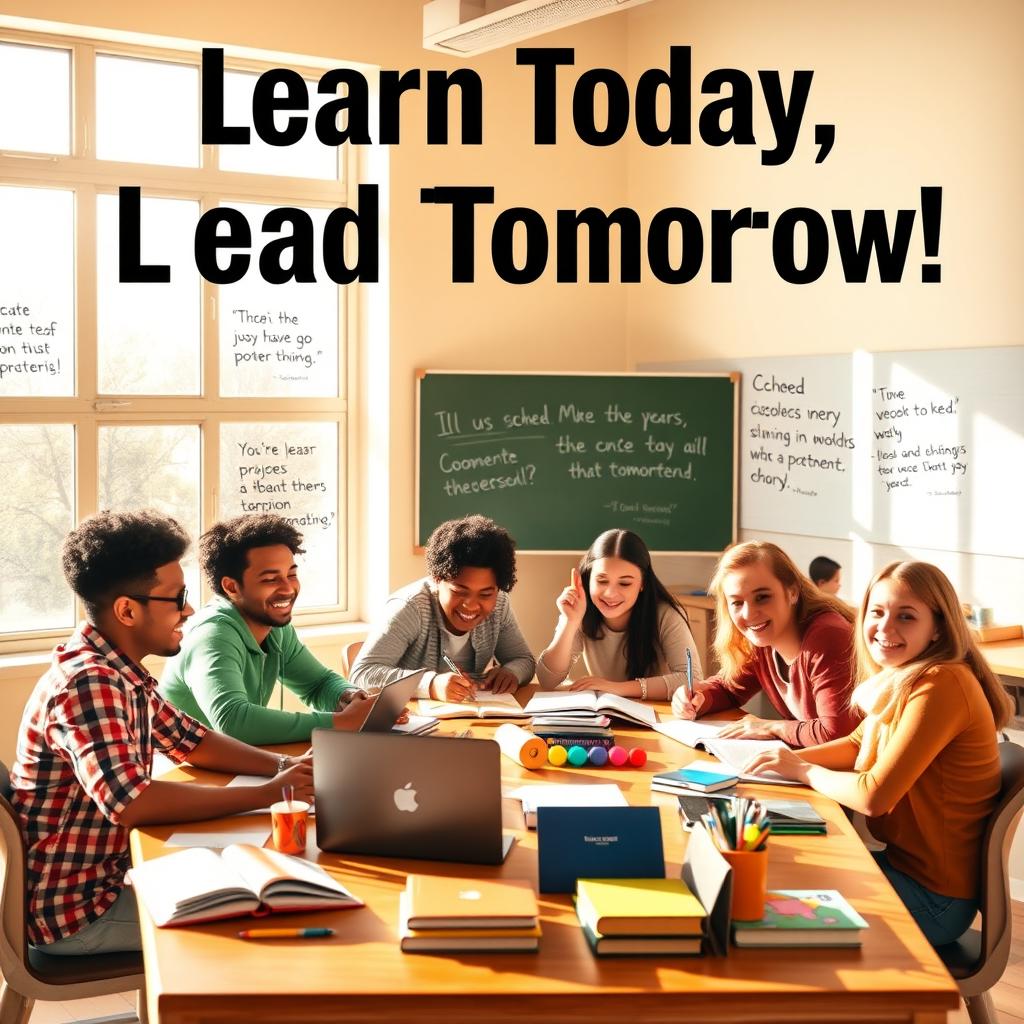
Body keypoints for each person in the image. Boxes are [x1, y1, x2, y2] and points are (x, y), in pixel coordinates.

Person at [9, 510, 314, 956]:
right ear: (127, 610)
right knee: (276, 923)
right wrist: (266, 793)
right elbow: (134, 802)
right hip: (79, 912)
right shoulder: (90, 682)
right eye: (177, 597)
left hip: (109, 880)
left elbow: (193, 740)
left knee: (265, 877)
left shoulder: (118, 671)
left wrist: (287, 767)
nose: (189, 609)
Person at [744, 560, 1012, 947]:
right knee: (777, 870)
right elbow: (857, 745)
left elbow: (874, 796)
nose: (885, 629)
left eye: (906, 616)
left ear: (937, 627)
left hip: (934, 901)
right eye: (877, 612)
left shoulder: (942, 684)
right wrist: (776, 764)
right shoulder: (906, 676)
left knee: (770, 900)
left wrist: (802, 771)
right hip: (905, 873)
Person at [161, 514, 372, 745]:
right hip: (188, 772)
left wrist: (351, 698)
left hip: (236, 763)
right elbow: (233, 721)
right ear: (231, 587)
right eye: (271, 579)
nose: (288, 588)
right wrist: (339, 722)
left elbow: (317, 684)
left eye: (291, 574)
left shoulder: (274, 626)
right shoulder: (212, 635)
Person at [671, 540, 858, 746]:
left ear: (792, 591)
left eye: (762, 597)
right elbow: (729, 689)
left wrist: (771, 727)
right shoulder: (765, 640)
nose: (749, 613)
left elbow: (837, 734)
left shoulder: (828, 635)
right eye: (737, 602)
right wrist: (697, 698)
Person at [349, 515, 535, 701]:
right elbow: (362, 674)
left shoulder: (500, 604)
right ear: (437, 579)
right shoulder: (410, 607)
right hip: (412, 723)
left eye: (486, 594)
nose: (470, 605)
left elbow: (524, 660)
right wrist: (430, 684)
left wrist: (511, 672)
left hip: (468, 719)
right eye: (459, 591)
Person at [535, 528, 703, 700]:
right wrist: (570, 622)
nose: (610, 594)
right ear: (588, 578)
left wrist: (615, 688)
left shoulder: (666, 615)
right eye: (602, 581)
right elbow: (547, 680)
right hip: (605, 715)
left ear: (642, 583)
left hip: (657, 716)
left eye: (624, 583)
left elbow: (692, 680)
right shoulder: (579, 610)